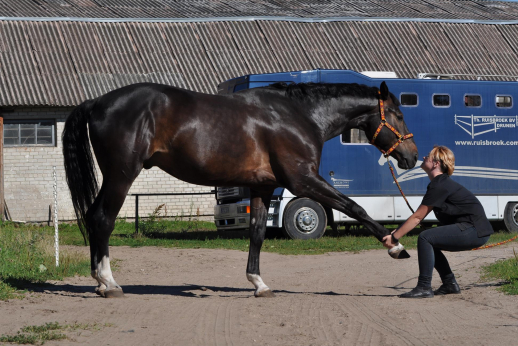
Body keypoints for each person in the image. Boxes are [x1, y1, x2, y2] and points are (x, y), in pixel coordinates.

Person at [382, 145, 493, 298]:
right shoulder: (440, 183)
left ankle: (424, 287)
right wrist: (397, 232)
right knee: (430, 241)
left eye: (427, 156)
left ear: (436, 163)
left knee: (426, 237)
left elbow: (417, 217)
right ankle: (450, 284)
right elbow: (419, 216)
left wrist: (394, 237)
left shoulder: (440, 185)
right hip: (474, 230)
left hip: (474, 230)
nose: (423, 158)